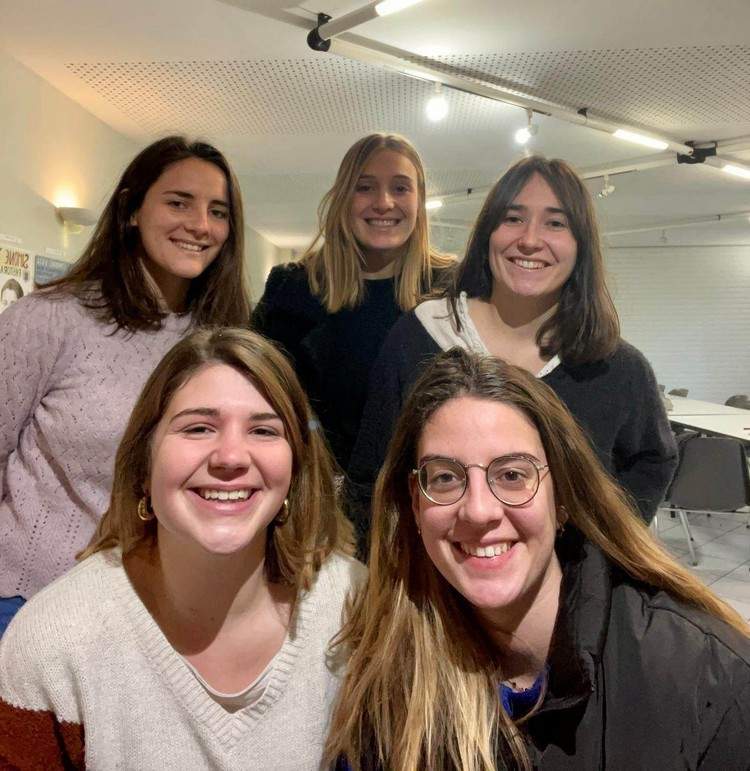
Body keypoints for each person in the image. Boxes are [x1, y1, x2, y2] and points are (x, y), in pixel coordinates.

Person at [328, 348, 750, 771]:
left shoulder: (706, 679)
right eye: (445, 477)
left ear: (561, 495)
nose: (479, 510)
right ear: (416, 504)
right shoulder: (391, 668)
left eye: (512, 474)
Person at [0, 328, 361, 768]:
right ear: (144, 463)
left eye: (263, 430)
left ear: (295, 468)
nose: (231, 456)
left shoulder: (353, 609)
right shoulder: (54, 644)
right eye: (198, 428)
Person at [349, 156, 676, 543]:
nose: (530, 240)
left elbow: (652, 461)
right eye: (513, 218)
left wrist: (600, 554)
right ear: (488, 233)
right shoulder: (418, 337)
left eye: (556, 223)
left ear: (581, 246)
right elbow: (371, 474)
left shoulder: (618, 368)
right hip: (431, 575)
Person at [0, 136, 250, 633]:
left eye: (218, 212)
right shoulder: (48, 320)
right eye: (179, 202)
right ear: (132, 210)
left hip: (153, 611)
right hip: (28, 600)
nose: (201, 225)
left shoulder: (224, 340)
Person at [252, 132, 454, 470]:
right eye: (365, 187)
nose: (384, 202)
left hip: (423, 485)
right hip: (316, 486)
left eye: (400, 188)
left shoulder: (451, 289)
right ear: (344, 198)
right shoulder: (292, 289)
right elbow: (254, 393)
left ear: (419, 200)